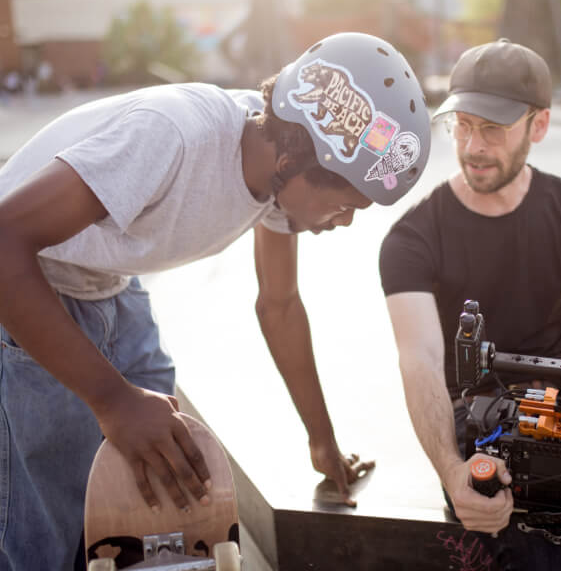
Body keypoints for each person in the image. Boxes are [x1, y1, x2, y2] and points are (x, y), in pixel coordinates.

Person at [0, 32, 430, 571]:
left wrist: (322, 441)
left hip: (110, 285)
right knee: (47, 531)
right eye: (344, 206)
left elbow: (280, 305)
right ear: (294, 158)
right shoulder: (173, 136)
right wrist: (113, 400)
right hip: (26, 293)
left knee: (160, 503)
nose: (341, 223)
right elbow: (5, 242)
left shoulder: (276, 174)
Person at [379, 38, 561, 568]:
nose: (473, 146)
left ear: (538, 126)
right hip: (481, 431)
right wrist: (453, 473)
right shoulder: (411, 238)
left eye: (492, 129)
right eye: (463, 126)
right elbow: (421, 361)